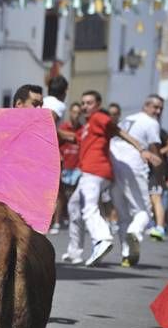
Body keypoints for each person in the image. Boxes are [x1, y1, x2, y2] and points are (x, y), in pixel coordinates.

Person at [64, 90, 157, 266]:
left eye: (89, 103)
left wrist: (141, 149)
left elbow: (118, 131)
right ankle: (74, 252)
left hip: (95, 171)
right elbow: (71, 138)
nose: (85, 106)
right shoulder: (87, 126)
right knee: (74, 205)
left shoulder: (99, 117)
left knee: (89, 208)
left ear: (98, 105)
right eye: (83, 103)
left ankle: (102, 239)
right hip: (94, 173)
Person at [110, 95, 164, 266]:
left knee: (123, 214)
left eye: (160, 108)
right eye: (155, 107)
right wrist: (160, 176)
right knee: (144, 212)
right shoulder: (151, 122)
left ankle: (127, 255)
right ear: (146, 106)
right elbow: (155, 152)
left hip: (114, 161)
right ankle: (135, 231)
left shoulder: (129, 118)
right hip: (134, 162)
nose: (158, 111)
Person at [51, 102, 83, 234]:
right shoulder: (63, 127)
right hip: (64, 167)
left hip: (77, 168)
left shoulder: (83, 129)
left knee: (75, 196)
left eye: (78, 112)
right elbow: (55, 144)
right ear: (70, 112)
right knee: (60, 196)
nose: (76, 115)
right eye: (74, 112)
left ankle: (73, 221)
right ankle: (57, 222)